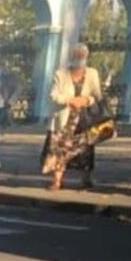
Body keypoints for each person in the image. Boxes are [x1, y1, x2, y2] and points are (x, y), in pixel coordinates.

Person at [42, 43, 103, 191]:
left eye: (83, 55)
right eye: (77, 54)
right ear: (72, 56)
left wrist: (86, 100)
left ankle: (86, 178)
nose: (80, 57)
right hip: (64, 119)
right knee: (59, 149)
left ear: (87, 56)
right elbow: (53, 95)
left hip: (84, 118)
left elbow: (97, 95)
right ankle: (57, 181)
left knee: (86, 148)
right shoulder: (61, 74)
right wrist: (70, 101)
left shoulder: (92, 73)